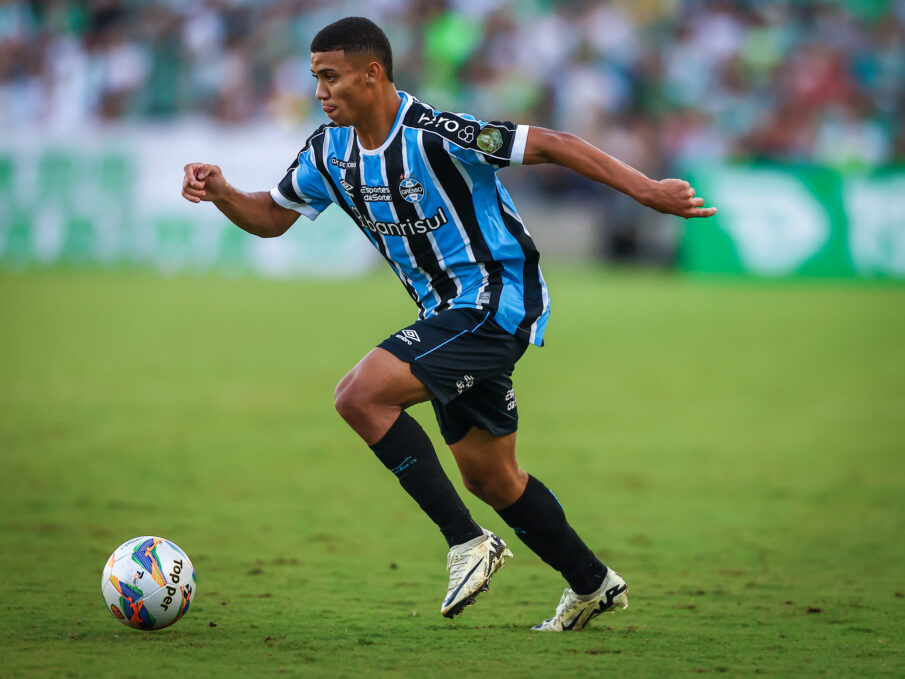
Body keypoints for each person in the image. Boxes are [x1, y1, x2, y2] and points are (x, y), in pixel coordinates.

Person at [181, 17, 717, 632]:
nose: (320, 91)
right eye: (316, 79)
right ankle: (592, 584)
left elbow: (552, 143)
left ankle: (466, 541)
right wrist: (223, 192)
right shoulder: (329, 152)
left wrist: (646, 189)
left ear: (372, 73)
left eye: (330, 77)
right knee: (491, 476)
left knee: (359, 396)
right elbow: (273, 216)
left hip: (496, 303)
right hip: (445, 316)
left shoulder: (438, 133)